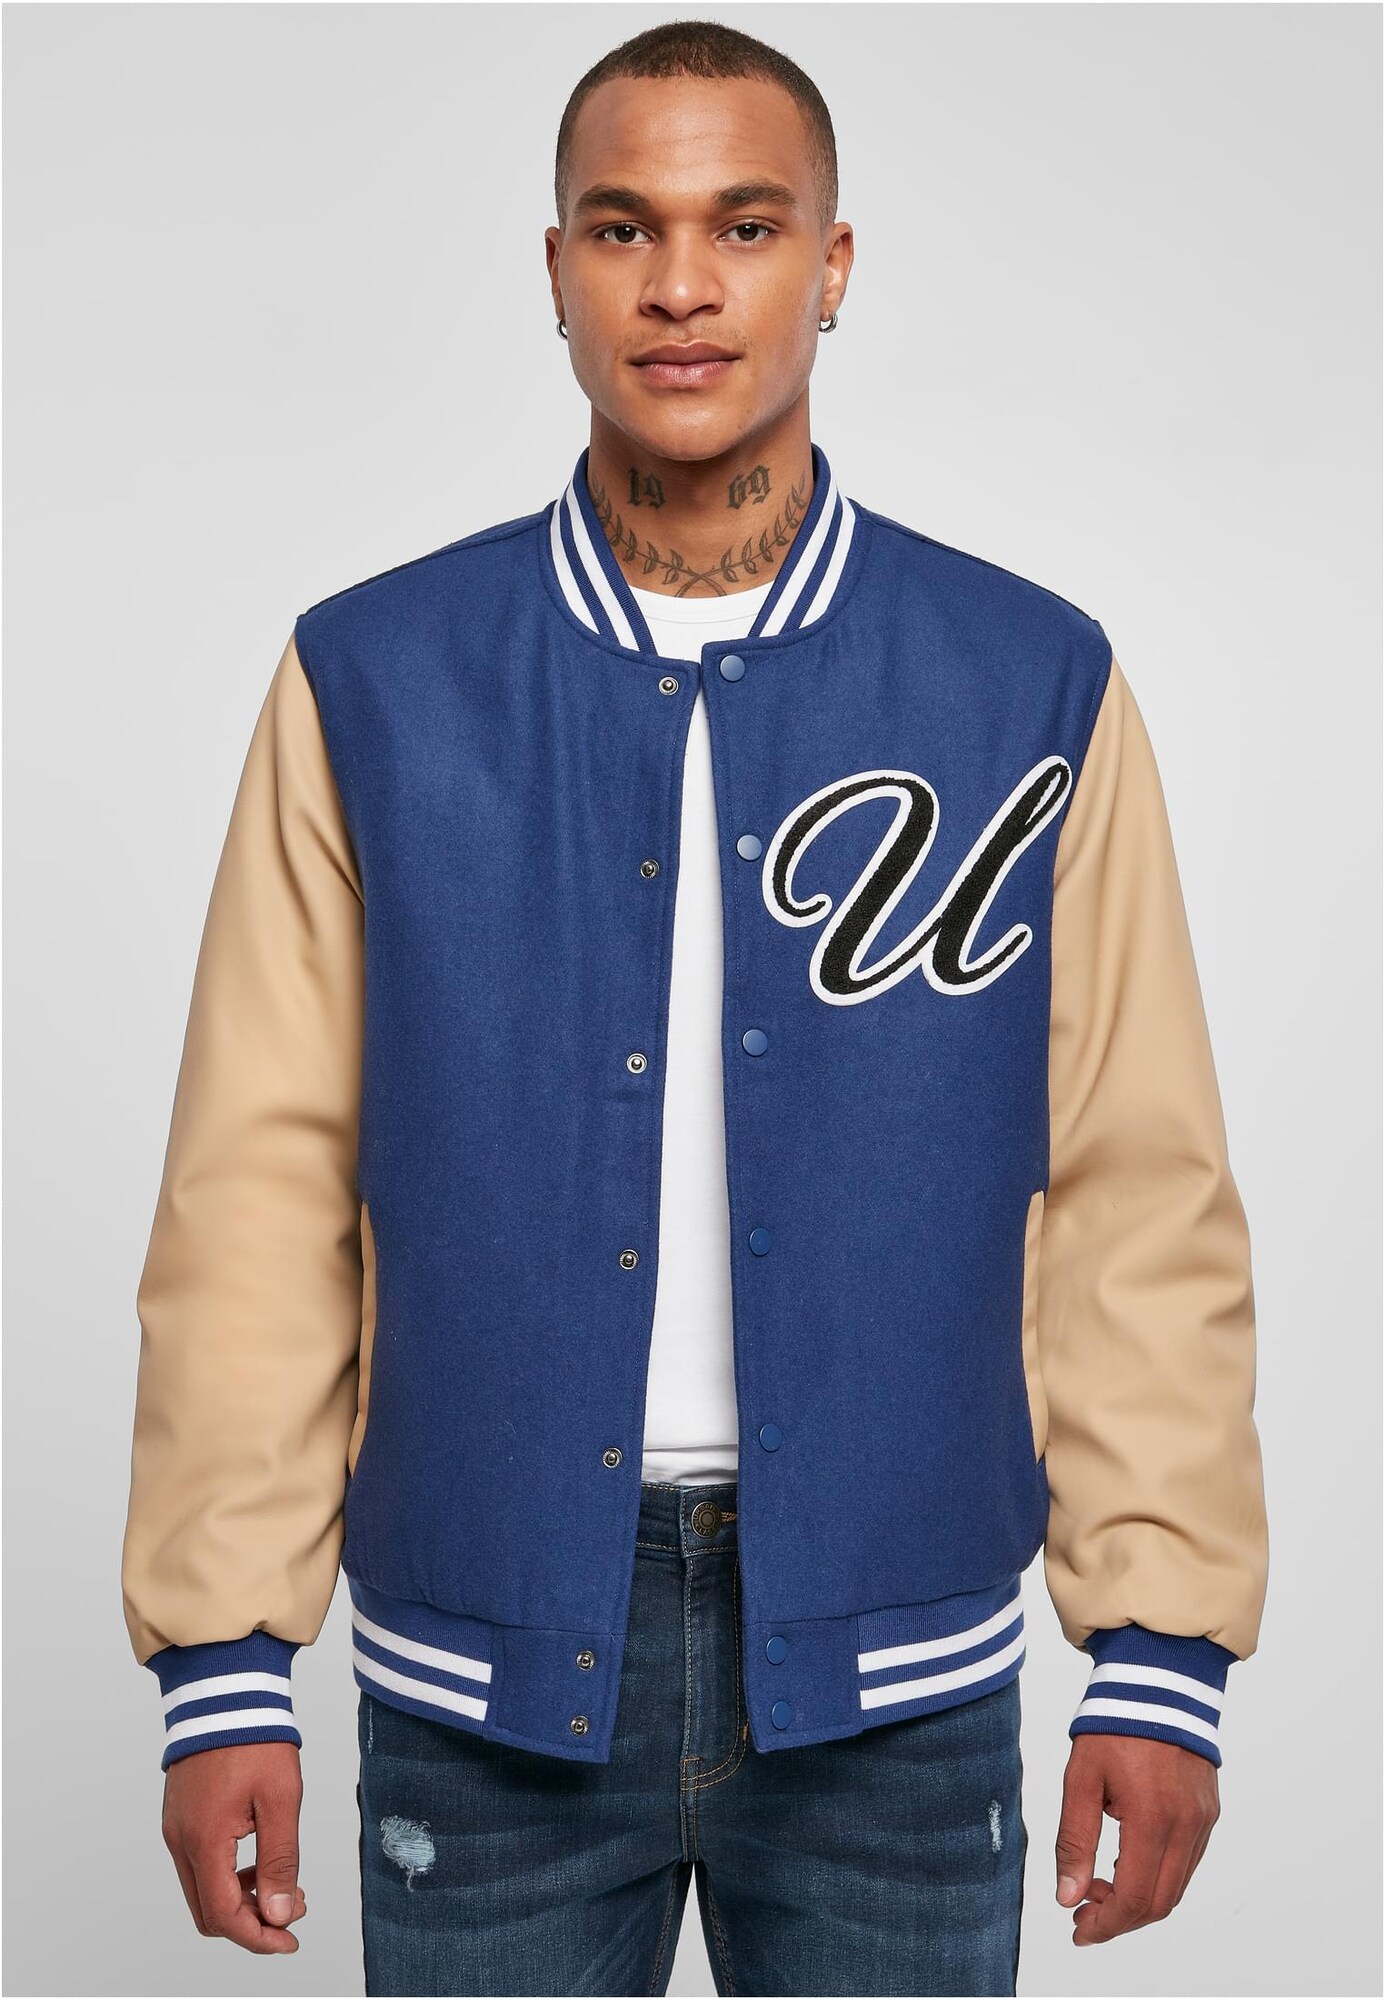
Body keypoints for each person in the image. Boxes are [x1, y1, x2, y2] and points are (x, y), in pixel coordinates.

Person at [120, 18, 1269, 1997]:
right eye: (621, 227)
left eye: (744, 225)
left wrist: (1161, 1648)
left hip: (898, 1683)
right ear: (554, 268)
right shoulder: (373, 680)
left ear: (833, 264)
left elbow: (1135, 1187)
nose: (679, 285)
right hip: (483, 1679)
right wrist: (222, 1657)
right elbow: (256, 1192)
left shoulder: (1025, 680)